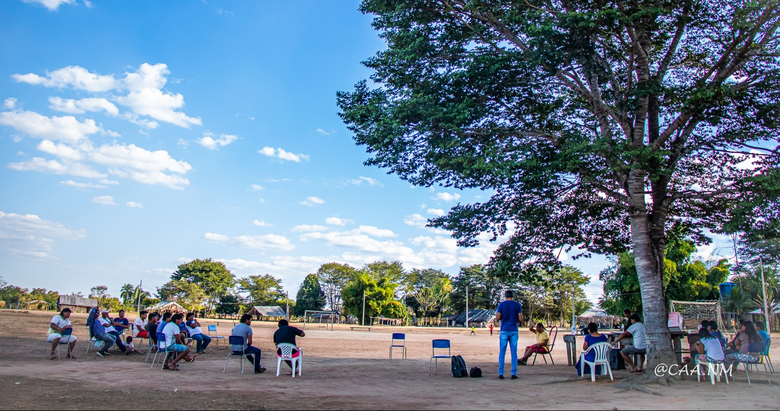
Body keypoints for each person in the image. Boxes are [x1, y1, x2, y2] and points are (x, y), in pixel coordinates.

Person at [494, 290, 523, 379]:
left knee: (502, 352)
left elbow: (498, 317)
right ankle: (513, 373)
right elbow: (520, 318)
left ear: (505, 296)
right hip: (513, 329)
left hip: (504, 329)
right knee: (514, 352)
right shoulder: (517, 305)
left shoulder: (501, 305)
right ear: (512, 296)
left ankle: (501, 373)